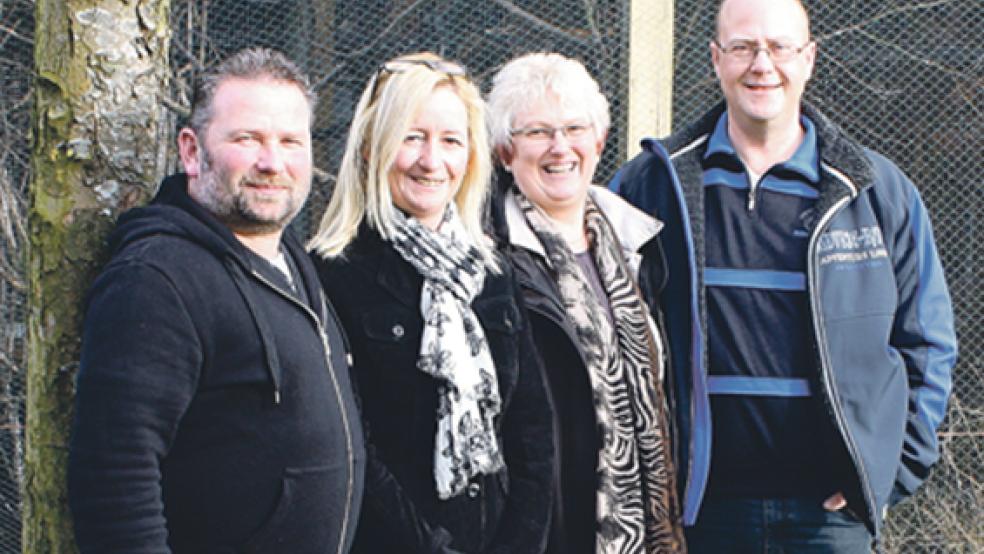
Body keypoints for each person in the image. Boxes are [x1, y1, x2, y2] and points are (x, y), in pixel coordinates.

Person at [610, 0, 958, 551]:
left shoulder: (876, 191)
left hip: (829, 520)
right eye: (744, 47)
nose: (761, 64)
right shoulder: (653, 185)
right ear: (716, 58)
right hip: (697, 513)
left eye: (779, 47)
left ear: (809, 58)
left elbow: (928, 342)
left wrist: (891, 467)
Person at [68, 48, 365, 553]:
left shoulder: (292, 262)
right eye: (247, 139)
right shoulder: (157, 279)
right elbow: (115, 477)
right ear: (191, 150)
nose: (272, 162)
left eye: (290, 141)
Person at [308, 52, 555, 554]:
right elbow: (352, 444)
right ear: (373, 148)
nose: (431, 160)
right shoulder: (331, 274)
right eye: (412, 136)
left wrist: (518, 544)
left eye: (450, 141)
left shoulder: (491, 271)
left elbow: (533, 431)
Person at [487, 52, 686, 554]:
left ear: (598, 140)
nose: (560, 147)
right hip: (548, 531)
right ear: (505, 151)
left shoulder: (637, 242)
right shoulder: (491, 256)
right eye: (536, 132)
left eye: (575, 128)